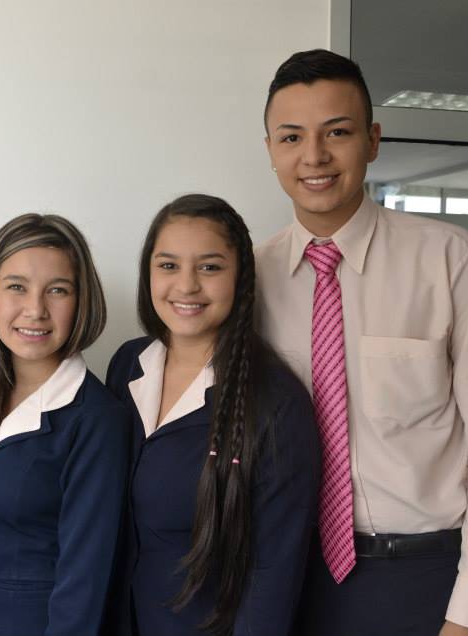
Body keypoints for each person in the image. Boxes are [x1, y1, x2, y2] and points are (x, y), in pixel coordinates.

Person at [256, 49, 468, 635]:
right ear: (270, 150)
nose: (314, 155)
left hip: (423, 577)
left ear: (373, 140)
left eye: (337, 132)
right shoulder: (250, 279)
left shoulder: (449, 259)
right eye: (291, 137)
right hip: (285, 578)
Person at [106, 194, 320, 636]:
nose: (186, 286)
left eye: (209, 267)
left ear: (241, 278)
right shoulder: (126, 365)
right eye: (168, 265)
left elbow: (274, 574)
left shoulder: (277, 403)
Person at [0, 213, 131, 636]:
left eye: (58, 290)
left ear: (81, 301)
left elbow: (85, 580)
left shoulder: (96, 419)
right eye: (17, 287)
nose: (35, 310)